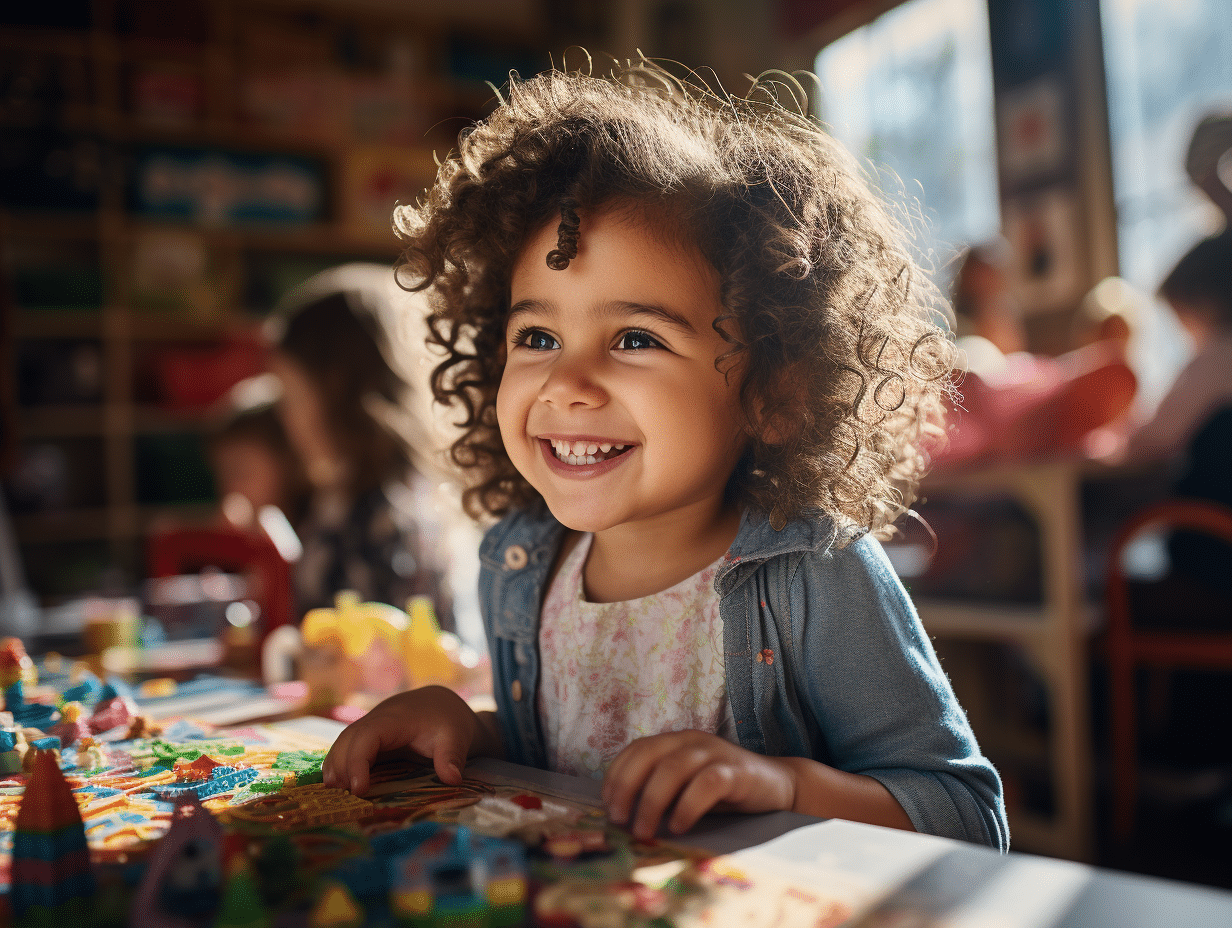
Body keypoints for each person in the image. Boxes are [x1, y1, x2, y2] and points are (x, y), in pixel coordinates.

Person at [324, 62, 1008, 851]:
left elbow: (966, 815)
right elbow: (574, 757)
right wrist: (472, 733)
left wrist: (780, 785)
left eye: (635, 339)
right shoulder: (520, 564)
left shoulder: (817, 572)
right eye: (537, 337)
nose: (567, 384)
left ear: (775, 394)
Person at [266, 264, 456, 629]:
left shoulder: (387, 522)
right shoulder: (341, 501)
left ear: (336, 389)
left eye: (292, 397)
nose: (284, 419)